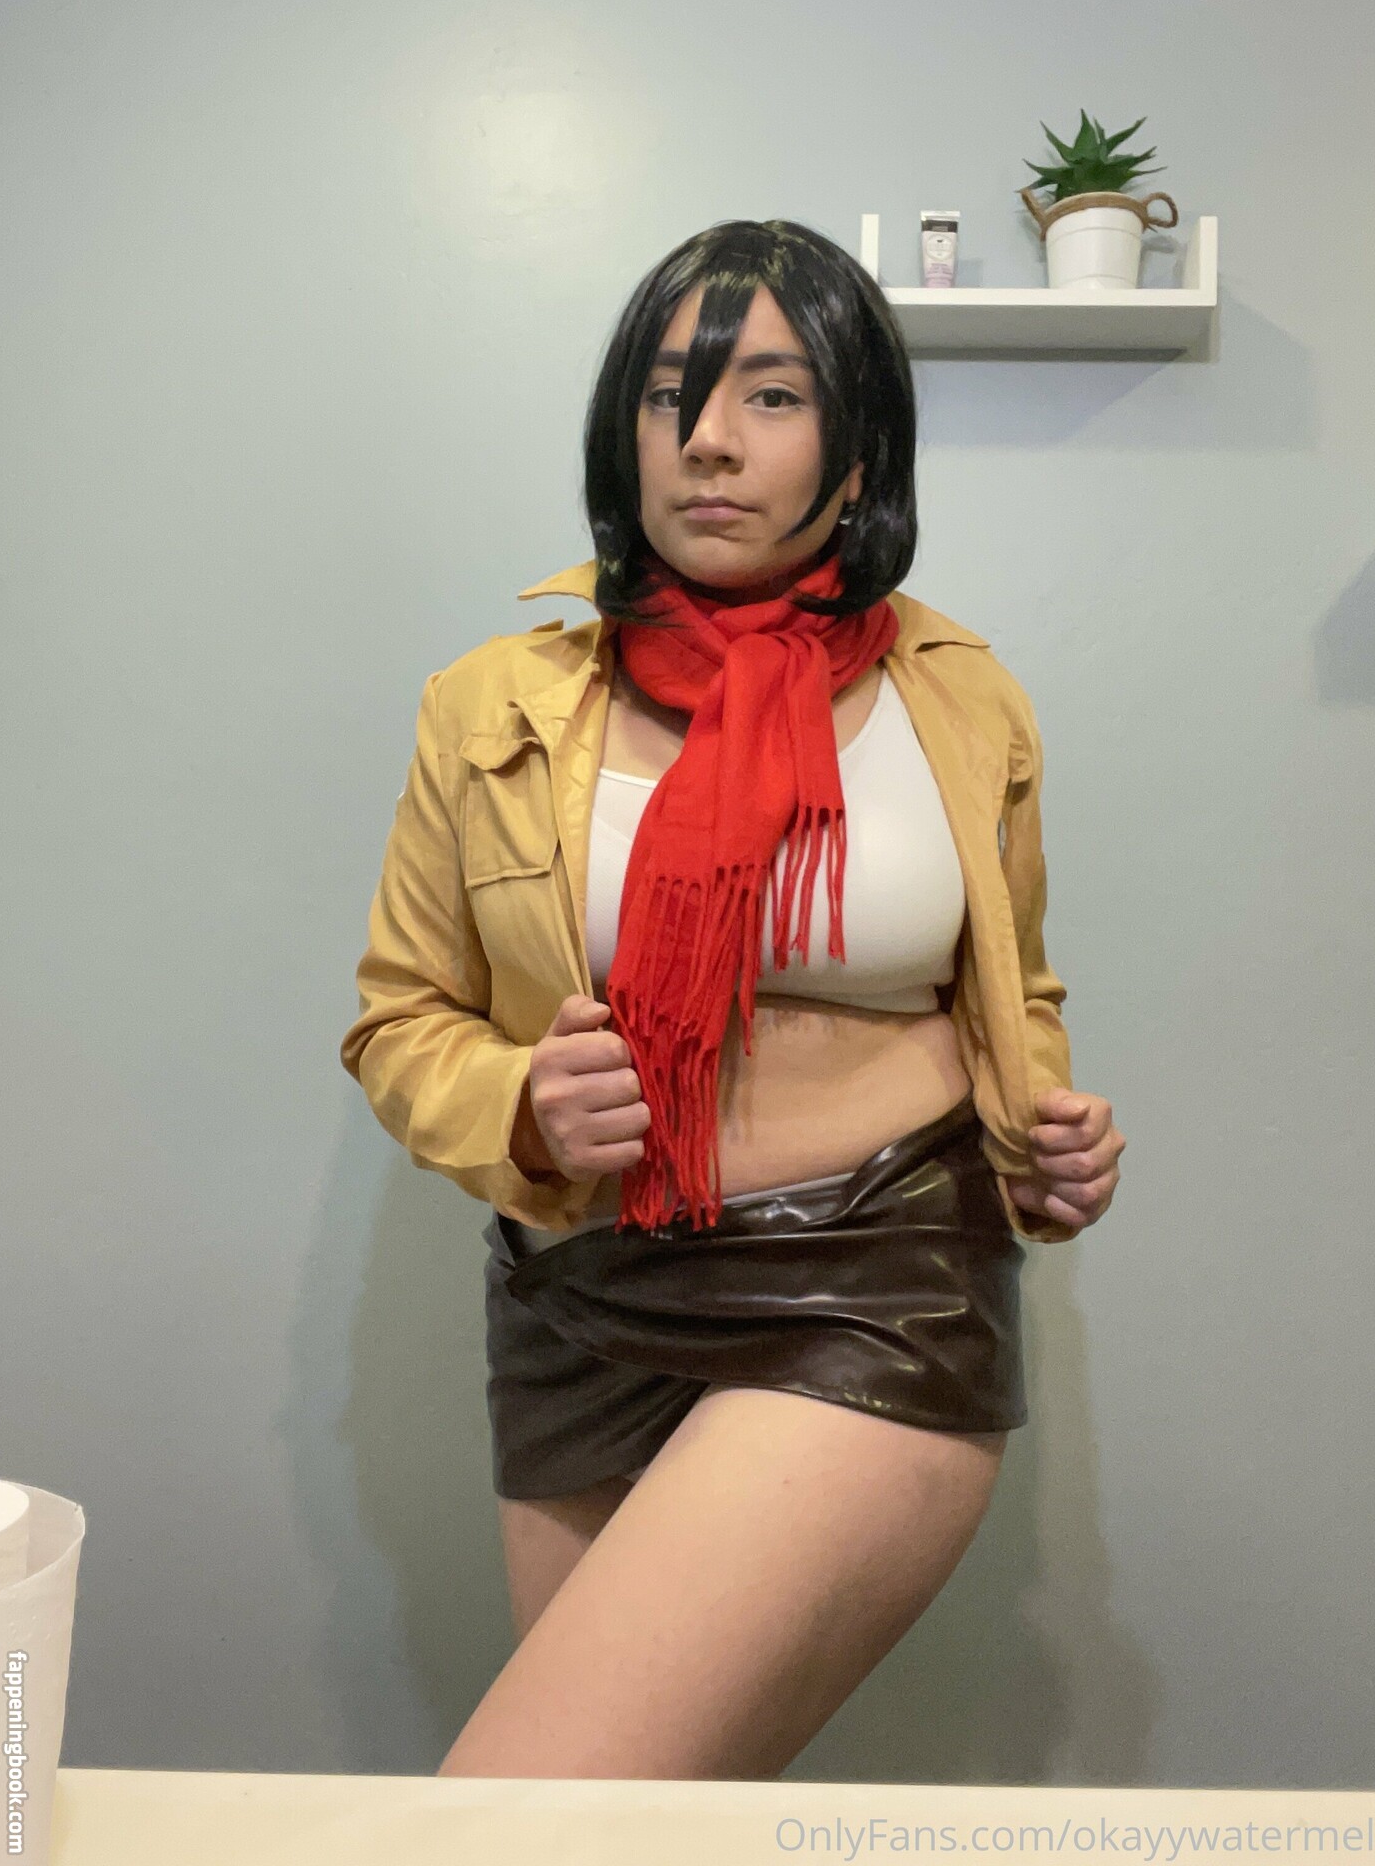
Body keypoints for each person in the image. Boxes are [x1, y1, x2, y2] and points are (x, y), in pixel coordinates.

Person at [340, 218, 1126, 1782]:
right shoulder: (493, 705)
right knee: (645, 1832)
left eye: (771, 394)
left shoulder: (962, 698)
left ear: (858, 446)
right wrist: (520, 1103)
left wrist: (1050, 1135)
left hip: (874, 1284)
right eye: (668, 393)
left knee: (524, 1815)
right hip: (579, 1299)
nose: (706, 437)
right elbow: (400, 1017)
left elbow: (1012, 992)